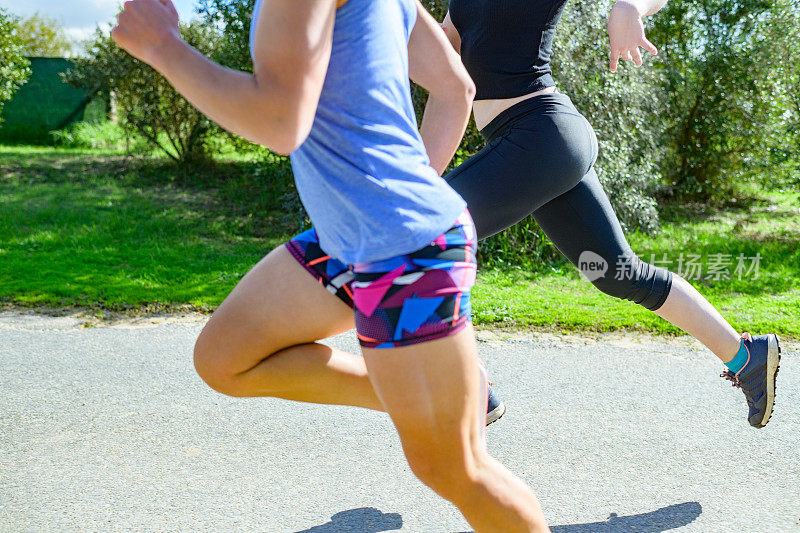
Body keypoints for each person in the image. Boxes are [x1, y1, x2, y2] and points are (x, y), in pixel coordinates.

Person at [112, 0, 548, 530]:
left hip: (405, 254)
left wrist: (163, 47)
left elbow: (279, 121)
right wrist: (402, 193)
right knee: (225, 358)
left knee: (455, 470)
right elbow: (456, 87)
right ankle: (437, 392)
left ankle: (437, 399)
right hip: (349, 241)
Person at [436, 0, 781, 427]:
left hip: (539, 135)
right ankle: (747, 357)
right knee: (618, 273)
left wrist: (628, 8)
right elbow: (439, 57)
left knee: (428, 233)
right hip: (534, 147)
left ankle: (468, 383)